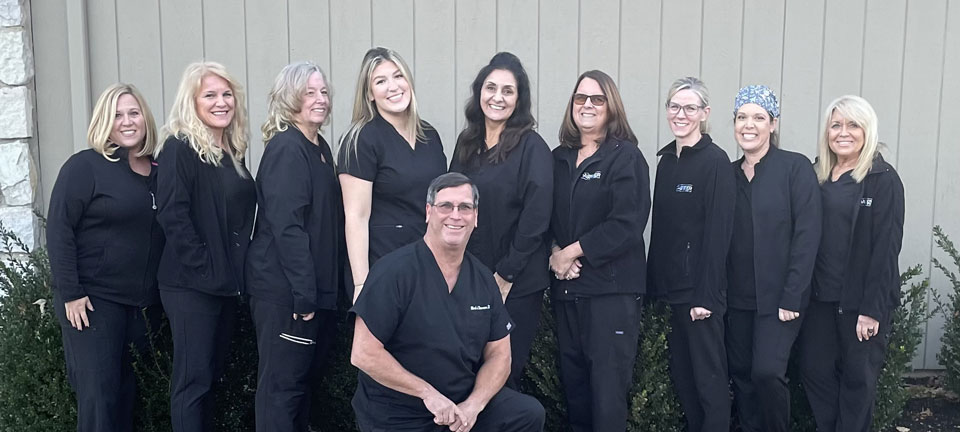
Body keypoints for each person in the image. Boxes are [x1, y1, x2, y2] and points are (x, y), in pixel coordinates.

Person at [350, 172, 546, 432]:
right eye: (446, 206)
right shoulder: (393, 272)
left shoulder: (483, 279)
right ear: (429, 212)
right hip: (400, 415)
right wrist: (427, 394)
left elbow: (500, 355)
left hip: (460, 406)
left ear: (475, 217)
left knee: (526, 414)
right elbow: (363, 353)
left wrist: (473, 406)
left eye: (465, 207)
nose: (456, 215)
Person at [47, 83, 163, 432]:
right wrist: (71, 292)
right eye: (117, 115)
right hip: (92, 302)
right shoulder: (85, 167)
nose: (127, 122)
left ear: (145, 117)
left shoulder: (158, 171)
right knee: (99, 399)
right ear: (104, 121)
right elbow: (59, 229)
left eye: (133, 112)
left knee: (126, 396)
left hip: (141, 308)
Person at [154, 61, 257, 432]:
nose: (221, 102)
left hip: (224, 285)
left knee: (211, 379)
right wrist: (204, 267)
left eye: (226, 94)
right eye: (210, 95)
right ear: (192, 102)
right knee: (192, 382)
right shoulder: (179, 149)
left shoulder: (231, 150)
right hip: (190, 285)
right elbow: (173, 216)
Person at [548, 70, 650, 432]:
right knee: (576, 395)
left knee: (607, 399)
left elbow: (626, 223)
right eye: (580, 98)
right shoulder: (558, 158)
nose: (587, 105)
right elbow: (542, 216)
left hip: (611, 294)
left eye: (597, 99)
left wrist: (572, 252)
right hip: (568, 292)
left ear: (611, 107)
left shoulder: (625, 158)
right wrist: (555, 252)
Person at [798, 95, 905, 432]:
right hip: (819, 299)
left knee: (858, 384)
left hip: (860, 303)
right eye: (836, 125)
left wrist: (872, 309)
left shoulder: (882, 179)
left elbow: (886, 249)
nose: (843, 132)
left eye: (853, 125)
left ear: (867, 130)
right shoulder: (817, 175)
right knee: (812, 371)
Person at [246, 62, 343, 431]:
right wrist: (305, 295)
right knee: (281, 392)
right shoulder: (288, 148)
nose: (319, 99)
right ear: (290, 98)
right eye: (309, 92)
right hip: (285, 294)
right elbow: (287, 228)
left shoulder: (319, 147)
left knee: (300, 391)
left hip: (311, 293)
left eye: (323, 91)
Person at [449, 52, 553, 389]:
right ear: (479, 92)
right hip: (469, 278)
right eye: (491, 87)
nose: (498, 97)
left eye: (508, 91)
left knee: (502, 377)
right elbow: (450, 207)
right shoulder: (466, 145)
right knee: (465, 374)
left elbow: (536, 217)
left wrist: (506, 274)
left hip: (515, 283)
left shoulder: (532, 147)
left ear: (519, 99)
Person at [724, 85, 822, 432]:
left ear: (773, 123)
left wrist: (793, 294)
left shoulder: (794, 169)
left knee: (766, 372)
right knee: (742, 375)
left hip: (779, 300)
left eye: (758, 117)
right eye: (741, 117)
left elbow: (807, 236)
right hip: (736, 300)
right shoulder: (728, 173)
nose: (748, 125)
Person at [647, 77, 735, 432]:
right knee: (684, 381)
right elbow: (662, 232)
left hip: (700, 296)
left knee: (709, 384)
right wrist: (652, 289)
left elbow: (719, 235)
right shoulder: (666, 162)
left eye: (690, 108)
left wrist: (707, 295)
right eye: (674, 106)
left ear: (704, 113)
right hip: (671, 293)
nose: (680, 114)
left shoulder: (715, 162)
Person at [337, 47, 447, 303]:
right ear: (370, 94)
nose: (393, 86)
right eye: (380, 81)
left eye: (398, 76)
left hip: (428, 263)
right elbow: (356, 216)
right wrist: (362, 282)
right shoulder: (361, 139)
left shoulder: (429, 135)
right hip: (383, 268)